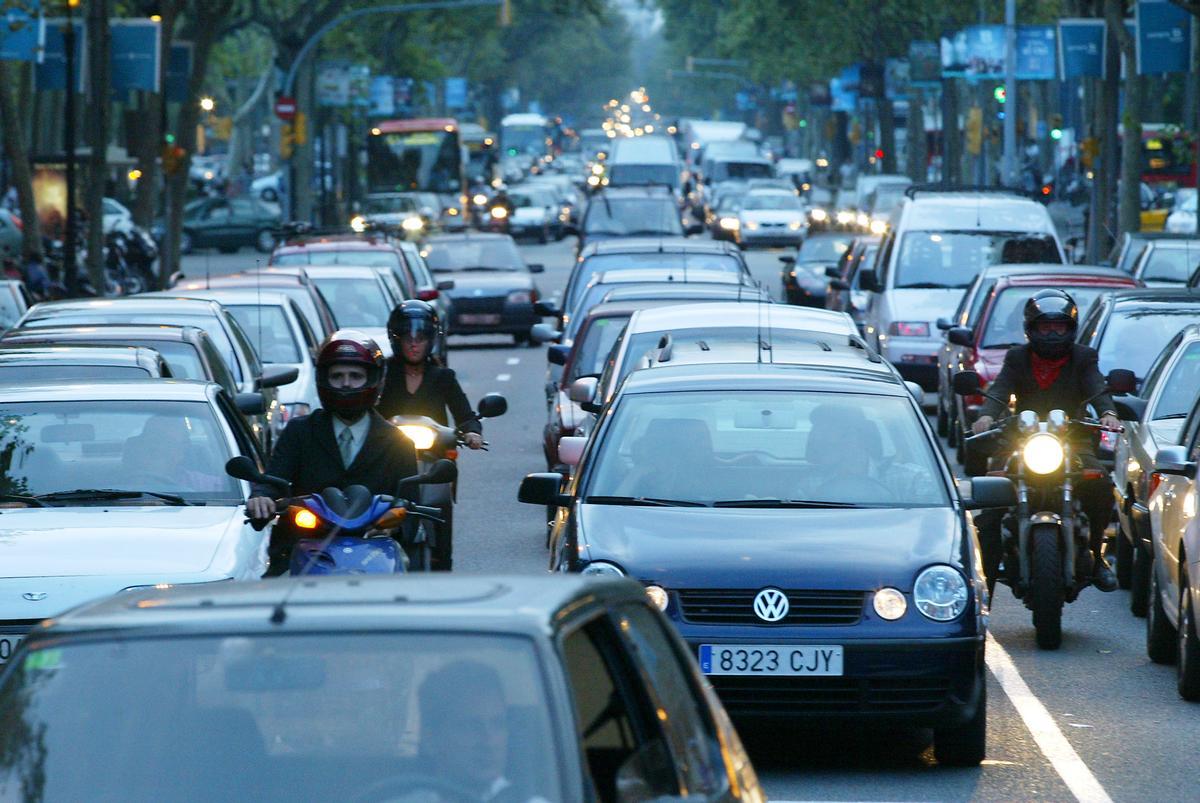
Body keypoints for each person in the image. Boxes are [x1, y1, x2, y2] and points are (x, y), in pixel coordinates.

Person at [971, 289, 1120, 592]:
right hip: (1020, 440)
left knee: (1101, 485)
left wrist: (1107, 412)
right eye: (1045, 327)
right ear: (1031, 329)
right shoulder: (1016, 358)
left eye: (1059, 327)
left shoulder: (1084, 357)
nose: (1052, 333)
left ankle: (1095, 554)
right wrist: (986, 415)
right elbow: (1000, 390)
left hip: (1072, 440)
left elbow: (1098, 386)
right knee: (990, 496)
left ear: (1071, 329)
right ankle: (984, 573)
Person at [247, 329, 418, 576]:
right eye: (337, 376)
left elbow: (412, 505)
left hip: (376, 552)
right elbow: (275, 479)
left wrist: (392, 526)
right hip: (302, 545)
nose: (346, 383)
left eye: (355, 376)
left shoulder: (398, 441)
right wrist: (261, 497)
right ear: (323, 380)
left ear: (374, 380)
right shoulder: (299, 431)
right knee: (269, 599)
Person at [378, 301, 481, 571]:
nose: (414, 344)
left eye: (421, 338)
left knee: (441, 510)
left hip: (434, 459)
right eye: (407, 338)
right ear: (395, 339)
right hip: (389, 458)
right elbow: (367, 410)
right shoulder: (382, 374)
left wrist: (472, 432)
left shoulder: (443, 376)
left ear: (431, 340)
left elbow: (465, 414)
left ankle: (443, 565)